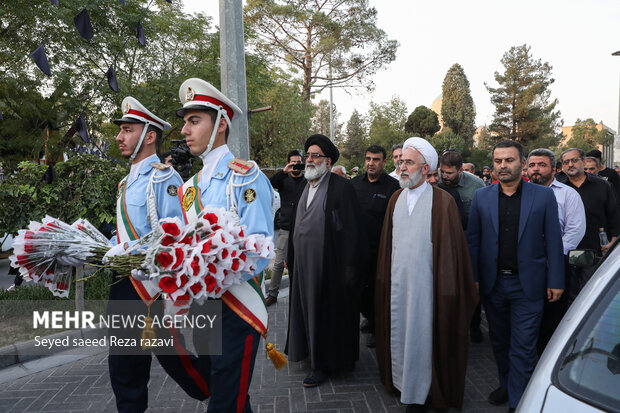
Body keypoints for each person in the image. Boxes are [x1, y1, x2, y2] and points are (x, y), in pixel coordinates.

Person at [103, 97, 208, 412]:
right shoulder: (127, 180)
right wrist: (108, 245)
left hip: (150, 289)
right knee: (124, 367)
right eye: (120, 130)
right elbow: (129, 230)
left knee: (176, 360)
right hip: (123, 284)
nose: (120, 137)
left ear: (149, 136)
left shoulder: (164, 179)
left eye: (127, 130)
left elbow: (174, 238)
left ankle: (226, 391)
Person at [175, 78, 274, 412]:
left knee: (226, 399)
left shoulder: (245, 176)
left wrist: (213, 269)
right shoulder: (188, 188)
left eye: (194, 120)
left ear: (219, 124)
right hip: (204, 307)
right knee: (227, 392)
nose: (185, 130)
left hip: (236, 308)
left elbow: (261, 248)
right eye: (185, 121)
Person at [375, 137, 477, 412]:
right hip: (398, 285)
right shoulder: (396, 198)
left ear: (425, 167)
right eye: (400, 161)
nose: (402, 167)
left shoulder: (443, 202)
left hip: (427, 289)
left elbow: (452, 254)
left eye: (408, 162)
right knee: (401, 332)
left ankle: (423, 391)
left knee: (424, 335)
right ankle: (402, 382)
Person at [467, 140, 565, 412]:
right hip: (493, 284)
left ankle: (519, 399)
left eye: (509, 160)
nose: (502, 166)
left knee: (523, 345)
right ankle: (505, 384)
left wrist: (556, 280)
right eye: (498, 161)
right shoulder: (482, 197)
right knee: (499, 340)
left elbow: (554, 242)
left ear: (522, 164)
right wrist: (474, 278)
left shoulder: (543, 196)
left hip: (529, 286)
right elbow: (473, 241)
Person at [285, 134, 366, 388]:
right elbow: (295, 226)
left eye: (315, 155)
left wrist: (348, 268)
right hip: (302, 267)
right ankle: (309, 354)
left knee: (327, 316)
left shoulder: (342, 189)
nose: (309, 159)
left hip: (329, 267)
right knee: (304, 311)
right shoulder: (303, 186)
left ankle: (323, 365)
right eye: (308, 155)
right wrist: (290, 256)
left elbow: (351, 231)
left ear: (328, 162)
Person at [526, 148, 586, 353]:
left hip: (556, 265)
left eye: (542, 165)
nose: (536, 169)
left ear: (554, 169)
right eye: (532, 165)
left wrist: (552, 257)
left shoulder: (568, 195)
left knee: (551, 320)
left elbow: (575, 231)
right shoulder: (519, 194)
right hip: (526, 266)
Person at [351, 145, 400, 348]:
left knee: (376, 291)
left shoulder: (394, 187)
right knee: (357, 290)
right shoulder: (353, 184)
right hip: (355, 250)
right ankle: (369, 317)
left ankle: (375, 326)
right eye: (368, 159)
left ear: (385, 162)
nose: (371, 163)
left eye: (376, 159)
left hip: (379, 251)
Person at [559, 148, 620, 305]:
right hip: (566, 252)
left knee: (591, 296)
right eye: (566, 162)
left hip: (595, 250)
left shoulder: (603, 186)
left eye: (574, 160)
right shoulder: (557, 188)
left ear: (583, 161)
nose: (570, 165)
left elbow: (614, 215)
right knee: (567, 297)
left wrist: (613, 241)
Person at [438, 149, 485, 342]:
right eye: (442, 172)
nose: (444, 177)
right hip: (446, 245)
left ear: (460, 170)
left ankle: (474, 325)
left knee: (472, 287)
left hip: (470, 244)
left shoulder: (476, 185)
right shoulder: (437, 183)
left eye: (449, 173)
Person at [266, 150, 306, 306]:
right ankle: (273, 294)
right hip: (286, 228)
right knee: (278, 263)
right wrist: (284, 171)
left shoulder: (308, 180)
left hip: (303, 229)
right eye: (293, 162)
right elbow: (269, 184)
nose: (296, 165)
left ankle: (302, 294)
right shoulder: (283, 180)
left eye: (298, 162)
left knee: (302, 263)